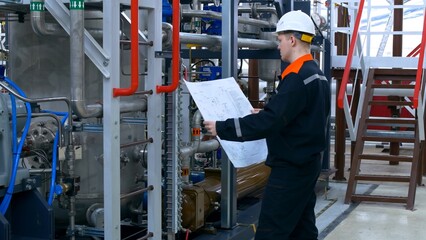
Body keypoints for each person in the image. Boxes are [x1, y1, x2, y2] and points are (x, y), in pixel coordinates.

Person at [203, 10, 330, 240]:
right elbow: (306, 116)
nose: (278, 46)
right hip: (308, 164)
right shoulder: (316, 75)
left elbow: (268, 123)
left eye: (280, 40)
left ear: (292, 40)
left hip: (290, 169)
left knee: (271, 232)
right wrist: (270, 111)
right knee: (302, 229)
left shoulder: (297, 78)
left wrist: (222, 128)